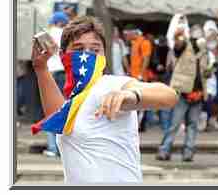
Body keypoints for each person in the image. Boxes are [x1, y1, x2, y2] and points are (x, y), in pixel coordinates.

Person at [32, 16, 178, 183]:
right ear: (63, 55)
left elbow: (169, 95)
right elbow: (58, 122)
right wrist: (41, 68)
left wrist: (130, 95)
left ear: (104, 55)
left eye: (95, 50)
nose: (87, 55)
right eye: (79, 49)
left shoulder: (110, 84)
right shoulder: (72, 102)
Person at [157, 13, 211, 162]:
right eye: (196, 35)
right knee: (174, 124)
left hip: (198, 92)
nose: (199, 38)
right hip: (182, 91)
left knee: (193, 125)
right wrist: (178, 36)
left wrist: (209, 72)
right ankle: (164, 150)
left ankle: (188, 152)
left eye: (200, 36)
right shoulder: (184, 45)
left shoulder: (205, 51)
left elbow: (204, 72)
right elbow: (177, 46)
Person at [43, 11, 69, 158]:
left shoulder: (46, 34)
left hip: (51, 74)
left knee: (50, 110)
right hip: (65, 74)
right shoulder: (68, 35)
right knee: (65, 109)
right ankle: (63, 148)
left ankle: (53, 148)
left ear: (55, 21)